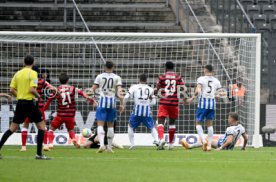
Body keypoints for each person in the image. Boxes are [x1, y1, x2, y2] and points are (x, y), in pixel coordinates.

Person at [0, 55, 50, 160]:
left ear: (24, 62)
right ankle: (39, 154)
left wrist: (20, 96)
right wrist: (39, 96)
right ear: (33, 62)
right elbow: (32, 89)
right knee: (42, 127)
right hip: (29, 103)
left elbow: (11, 90)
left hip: (20, 104)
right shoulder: (33, 73)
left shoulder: (17, 73)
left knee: (12, 128)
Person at [43, 73, 97, 149]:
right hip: (70, 115)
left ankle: (50, 143)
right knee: (70, 129)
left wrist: (42, 110)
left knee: (51, 129)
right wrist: (92, 100)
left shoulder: (56, 90)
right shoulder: (73, 88)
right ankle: (74, 139)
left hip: (60, 114)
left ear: (59, 81)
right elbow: (83, 94)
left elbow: (48, 102)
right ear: (68, 80)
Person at [91, 60, 124, 153]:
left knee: (100, 124)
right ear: (113, 67)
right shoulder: (117, 77)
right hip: (112, 103)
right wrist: (122, 104)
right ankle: (109, 147)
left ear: (104, 67)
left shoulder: (99, 76)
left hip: (102, 102)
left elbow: (92, 89)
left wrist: (92, 99)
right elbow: (120, 92)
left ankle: (101, 145)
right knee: (110, 126)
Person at [155, 61, 189, 150]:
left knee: (160, 122)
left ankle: (162, 139)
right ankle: (170, 144)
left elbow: (157, 88)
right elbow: (184, 88)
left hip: (164, 102)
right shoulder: (178, 77)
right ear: (173, 68)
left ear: (165, 67)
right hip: (174, 103)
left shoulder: (162, 77)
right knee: (172, 123)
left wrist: (153, 94)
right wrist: (185, 98)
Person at [20, 66, 54, 152]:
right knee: (42, 126)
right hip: (39, 106)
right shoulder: (42, 81)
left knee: (25, 125)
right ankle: (45, 145)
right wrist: (55, 92)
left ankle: (24, 147)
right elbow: (51, 88)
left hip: (28, 104)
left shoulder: (28, 81)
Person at [189, 65, 223, 151]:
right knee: (210, 124)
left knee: (198, 123)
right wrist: (216, 95)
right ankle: (209, 146)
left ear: (206, 70)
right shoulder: (216, 81)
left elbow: (198, 89)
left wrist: (193, 97)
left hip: (203, 103)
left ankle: (204, 141)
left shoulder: (201, 79)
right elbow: (221, 94)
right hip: (212, 104)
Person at [124, 74, 159, 149]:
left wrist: (123, 105)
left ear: (139, 79)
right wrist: (147, 103)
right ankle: (157, 140)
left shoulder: (134, 87)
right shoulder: (150, 89)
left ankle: (132, 144)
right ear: (146, 80)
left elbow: (126, 96)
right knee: (152, 127)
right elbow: (154, 103)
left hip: (137, 112)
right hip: (147, 112)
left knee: (130, 126)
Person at [181, 112, 248, 150]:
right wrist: (243, 147)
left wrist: (220, 148)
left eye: (229, 118)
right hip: (228, 147)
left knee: (205, 140)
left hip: (222, 145)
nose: (228, 119)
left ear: (233, 119)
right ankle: (205, 147)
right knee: (206, 141)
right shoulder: (241, 127)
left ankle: (189, 146)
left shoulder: (230, 129)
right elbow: (246, 138)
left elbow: (229, 141)